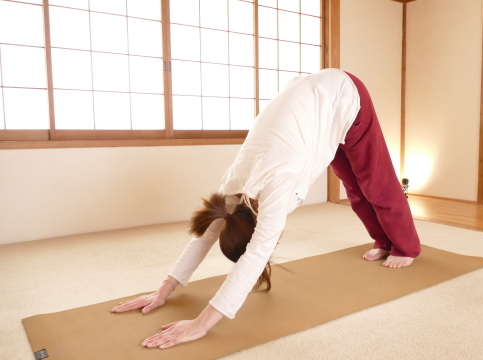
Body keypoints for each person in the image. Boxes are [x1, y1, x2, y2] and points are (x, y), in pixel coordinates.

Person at [110, 69, 422, 349]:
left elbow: (256, 253)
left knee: (374, 181)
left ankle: (405, 246)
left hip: (344, 96)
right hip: (314, 108)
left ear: (258, 225)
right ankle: (383, 240)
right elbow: (204, 237)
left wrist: (201, 323)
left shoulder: (276, 185)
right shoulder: (233, 191)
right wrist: (164, 289)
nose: (276, 240)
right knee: (353, 185)